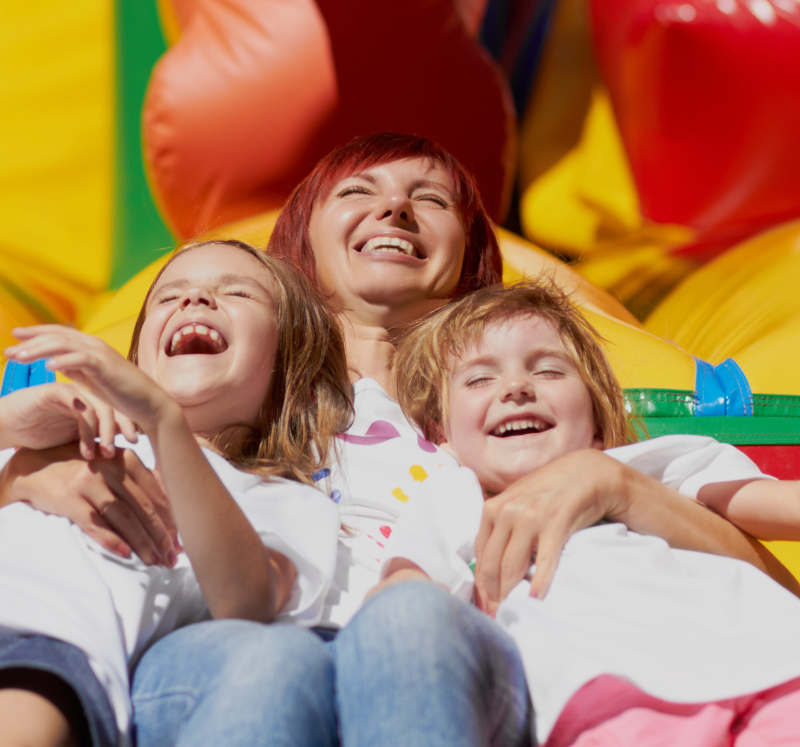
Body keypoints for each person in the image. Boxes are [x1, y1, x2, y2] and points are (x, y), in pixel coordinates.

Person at [0, 134, 790, 747]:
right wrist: (31, 472)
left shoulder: (523, 405)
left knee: (410, 626)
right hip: (246, 654)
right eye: (359, 192)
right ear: (300, 246)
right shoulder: (221, 384)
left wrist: (619, 487)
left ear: (472, 255)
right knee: (267, 664)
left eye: (429, 199)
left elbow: (758, 588)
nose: (395, 210)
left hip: (471, 660)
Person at [385, 279, 800, 746]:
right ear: (443, 435)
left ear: (597, 417)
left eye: (549, 371)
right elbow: (404, 598)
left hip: (773, 660)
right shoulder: (457, 496)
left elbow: (776, 506)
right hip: (612, 693)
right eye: (480, 379)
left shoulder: (656, 462)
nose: (517, 386)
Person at [0, 240, 350, 747]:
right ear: (138, 354)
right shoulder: (57, 425)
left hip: (39, 649)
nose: (196, 300)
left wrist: (165, 423)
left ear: (286, 360)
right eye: (169, 297)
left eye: (237, 292)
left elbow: (248, 599)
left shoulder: (278, 495)